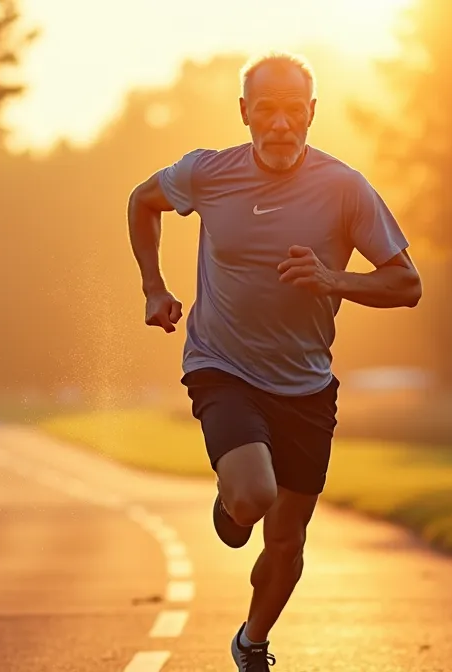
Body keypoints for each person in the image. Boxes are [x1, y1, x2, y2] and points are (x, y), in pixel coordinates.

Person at [125, 50, 422, 671]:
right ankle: (235, 500)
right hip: (223, 365)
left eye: (293, 110)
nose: (280, 124)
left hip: (306, 386)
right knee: (254, 495)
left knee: (286, 545)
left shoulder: (345, 188)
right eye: (266, 110)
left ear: (312, 113)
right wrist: (154, 286)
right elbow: (141, 202)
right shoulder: (207, 173)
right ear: (244, 113)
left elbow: (406, 284)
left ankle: (252, 642)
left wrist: (334, 280)